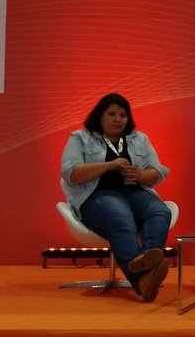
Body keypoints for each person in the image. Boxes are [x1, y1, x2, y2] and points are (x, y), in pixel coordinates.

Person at [60, 93, 172, 303]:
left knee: (160, 211)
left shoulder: (140, 139)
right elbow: (71, 173)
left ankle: (147, 266)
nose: (118, 119)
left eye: (123, 115)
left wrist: (140, 175)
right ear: (100, 115)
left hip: (135, 192)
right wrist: (108, 166)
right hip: (97, 196)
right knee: (119, 216)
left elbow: (157, 172)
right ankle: (141, 279)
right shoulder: (80, 137)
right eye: (111, 114)